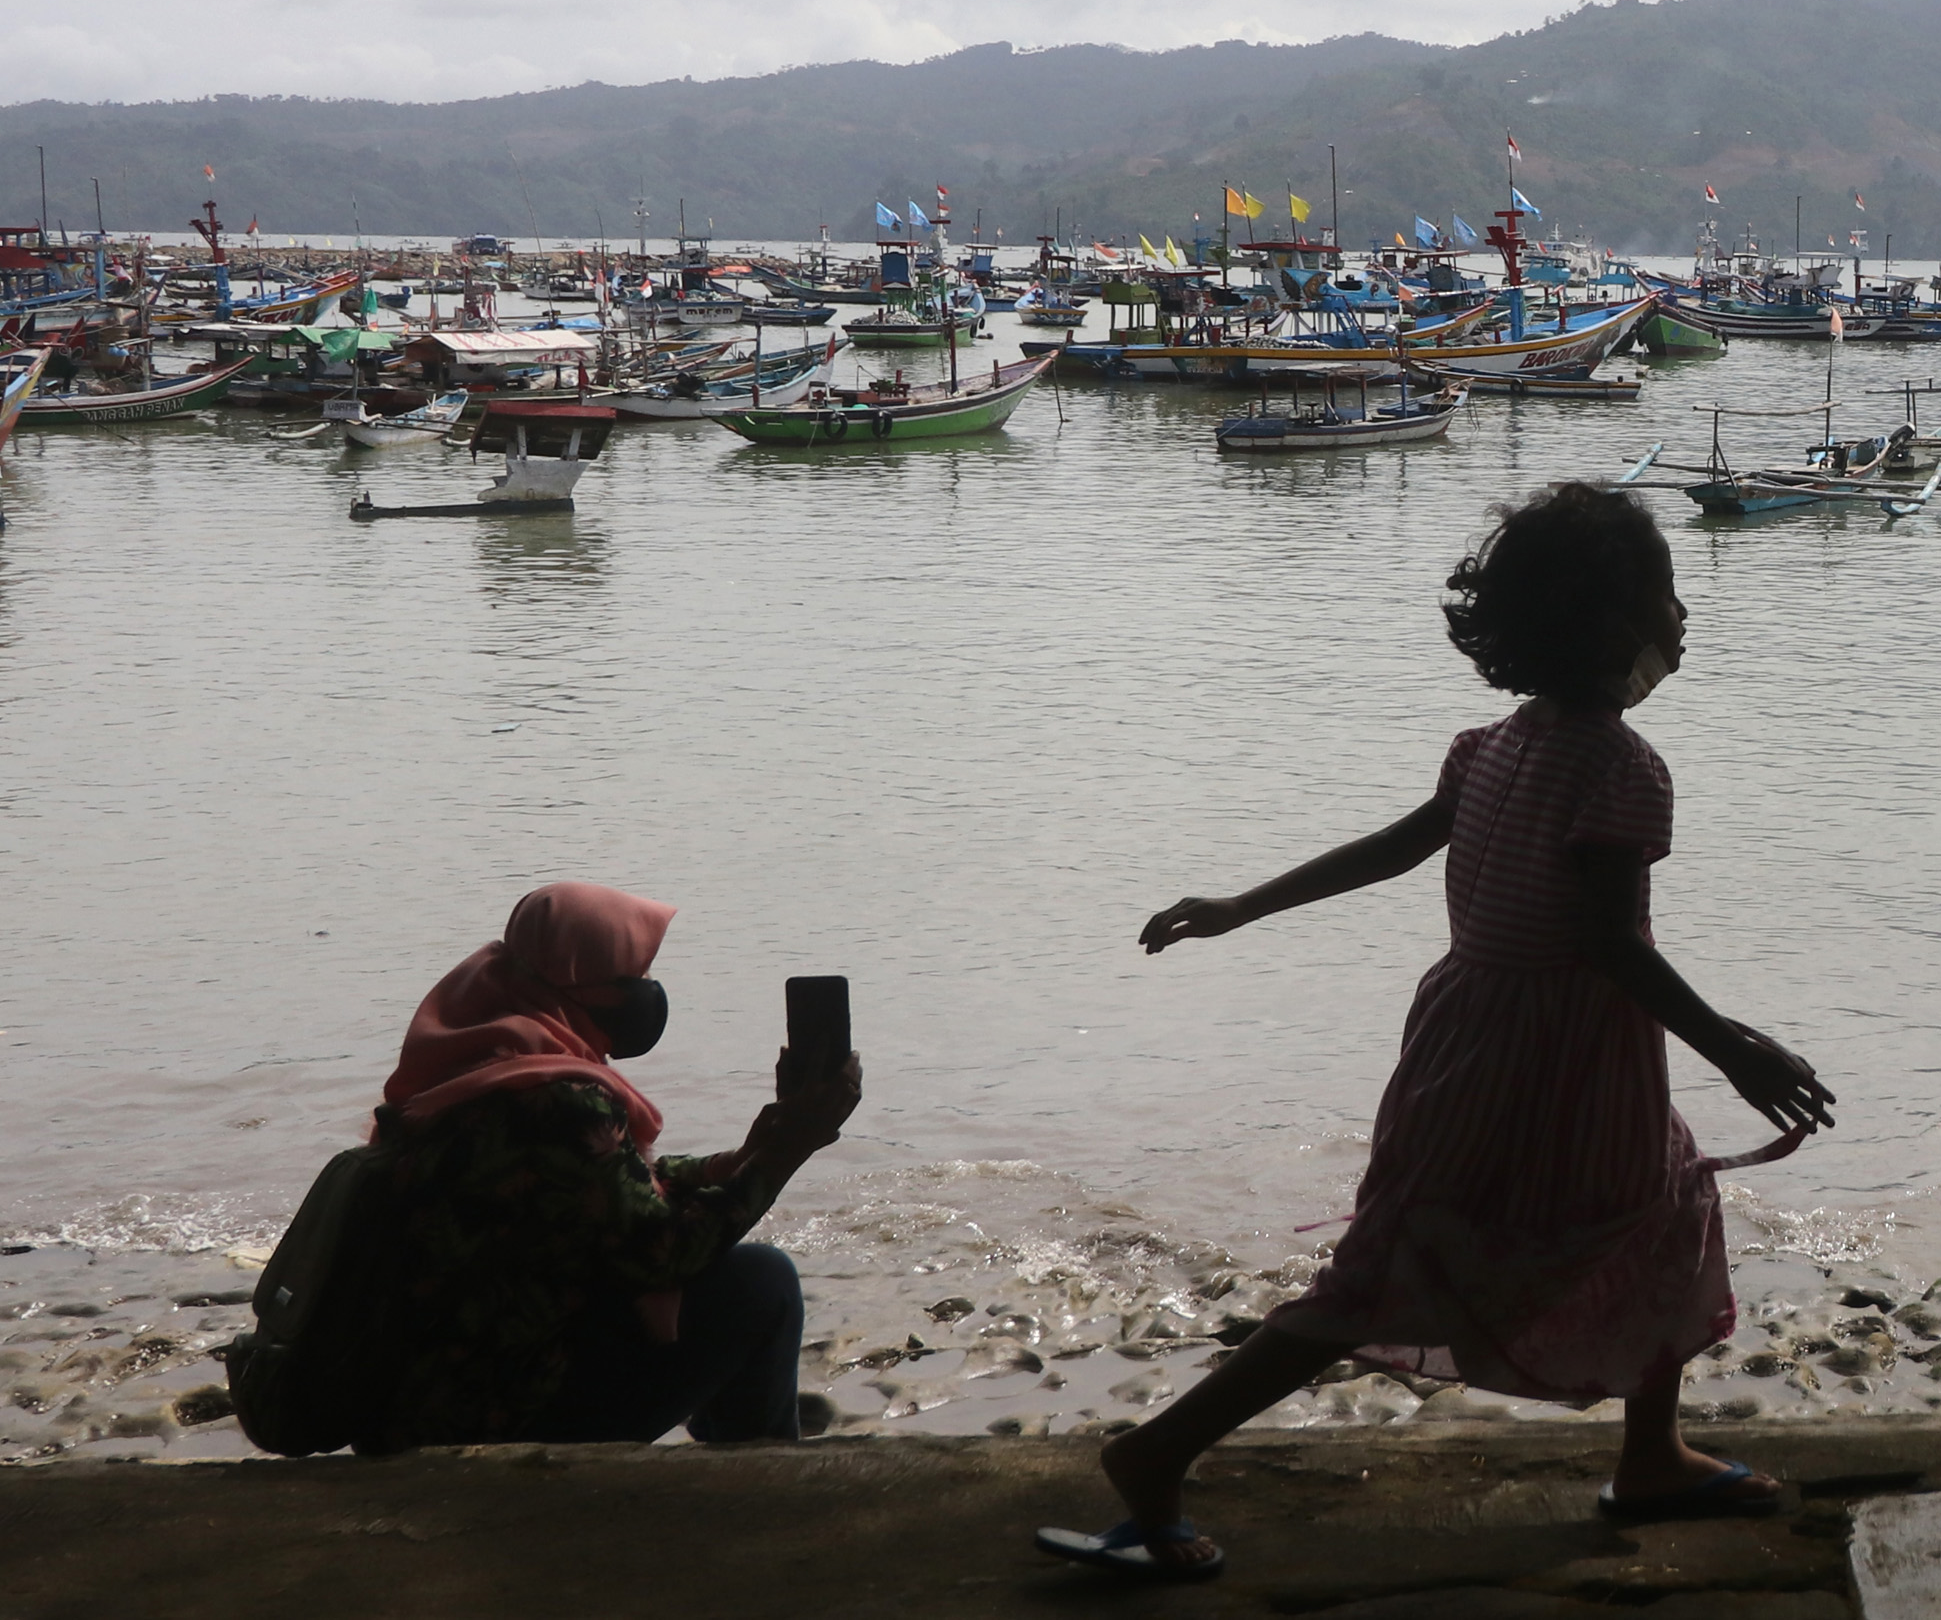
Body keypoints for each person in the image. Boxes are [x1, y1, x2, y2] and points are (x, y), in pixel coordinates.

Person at [1038, 481, 1835, 1585]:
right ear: (1610, 627)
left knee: (1655, 1205)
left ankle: (1650, 1454)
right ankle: (1155, 1449)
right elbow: (1611, 946)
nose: (1683, 618)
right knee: (1391, 1273)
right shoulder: (1623, 770)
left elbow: (1393, 849)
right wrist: (1735, 1048)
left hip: (1468, 1031)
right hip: (1557, 1049)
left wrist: (1240, 905)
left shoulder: (1494, 745)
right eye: (1665, 595)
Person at [363, 882, 860, 1451]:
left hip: (417, 1399)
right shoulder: (556, 1100)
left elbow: (602, 1189)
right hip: (498, 1416)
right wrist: (786, 1153)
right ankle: (754, 1474)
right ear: (571, 985)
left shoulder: (474, 1064)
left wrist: (743, 1156)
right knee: (762, 1282)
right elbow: (664, 1250)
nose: (647, 994)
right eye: (631, 980)